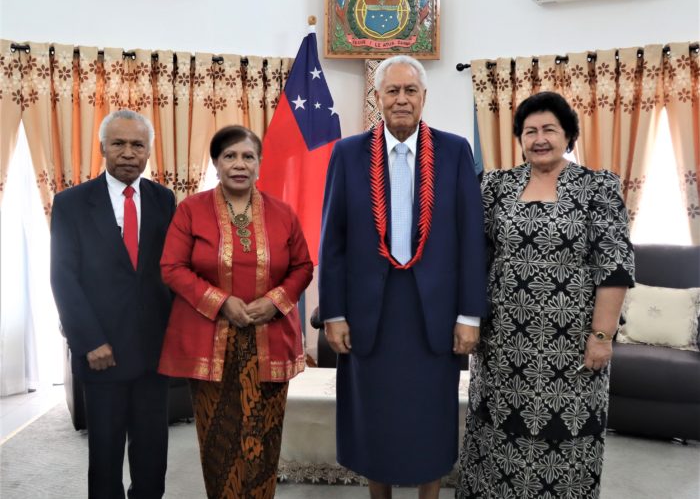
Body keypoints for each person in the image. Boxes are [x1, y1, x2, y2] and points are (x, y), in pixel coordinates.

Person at [318, 55, 488, 498]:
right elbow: (332, 240)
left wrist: (470, 316)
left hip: (432, 314)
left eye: (410, 91)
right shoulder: (348, 153)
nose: (401, 99)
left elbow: (471, 239)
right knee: (376, 416)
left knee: (429, 417)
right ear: (378, 97)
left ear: (424, 97)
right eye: (392, 91)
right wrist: (333, 311)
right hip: (369, 313)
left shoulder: (453, 152)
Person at [456, 91, 635, 498]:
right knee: (496, 440)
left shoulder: (597, 187)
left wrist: (602, 337)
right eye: (530, 130)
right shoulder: (496, 186)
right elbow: (472, 256)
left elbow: (615, 265)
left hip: (571, 349)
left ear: (568, 135)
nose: (539, 139)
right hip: (502, 345)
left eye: (549, 130)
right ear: (519, 137)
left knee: (565, 442)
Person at [157, 125, 313, 498]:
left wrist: (274, 302)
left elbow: (303, 267)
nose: (239, 164)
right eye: (230, 156)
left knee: (263, 439)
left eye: (248, 156)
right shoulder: (191, 211)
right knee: (219, 442)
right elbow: (172, 268)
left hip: (270, 341)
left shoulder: (283, 213)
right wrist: (221, 301)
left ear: (259, 164)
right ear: (215, 163)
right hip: (209, 343)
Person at [50, 109, 176, 499]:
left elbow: (171, 272)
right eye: (118, 143)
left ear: (149, 151)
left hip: (155, 353)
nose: (127, 153)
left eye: (137, 145)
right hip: (101, 353)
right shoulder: (71, 203)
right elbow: (63, 277)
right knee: (105, 457)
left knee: (153, 454)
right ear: (103, 147)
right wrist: (88, 342)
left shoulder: (164, 199)